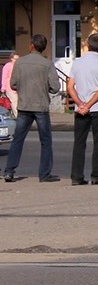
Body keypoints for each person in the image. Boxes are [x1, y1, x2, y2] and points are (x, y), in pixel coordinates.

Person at [3, 34, 61, 182]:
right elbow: (55, 87)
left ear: (31, 46)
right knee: (46, 141)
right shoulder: (47, 64)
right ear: (43, 48)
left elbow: (13, 84)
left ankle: (9, 171)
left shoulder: (20, 62)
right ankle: (44, 174)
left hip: (24, 105)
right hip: (41, 106)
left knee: (18, 139)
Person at [68, 33, 98, 186]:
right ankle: (97, 175)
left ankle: (76, 176)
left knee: (79, 142)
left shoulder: (77, 63)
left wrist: (81, 104)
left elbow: (70, 87)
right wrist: (89, 105)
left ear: (87, 45)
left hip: (80, 109)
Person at [2, 52, 18, 116]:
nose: (17, 60)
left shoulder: (19, 66)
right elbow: (4, 76)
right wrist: (3, 87)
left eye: (18, 59)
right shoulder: (8, 66)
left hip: (18, 88)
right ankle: (18, 117)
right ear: (11, 58)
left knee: (17, 102)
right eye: (15, 59)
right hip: (10, 87)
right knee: (14, 102)